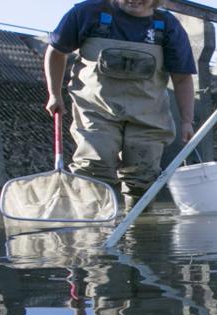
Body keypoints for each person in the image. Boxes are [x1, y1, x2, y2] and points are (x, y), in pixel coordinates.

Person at [44, 0, 199, 214]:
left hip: (148, 115)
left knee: (143, 176)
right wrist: (54, 94)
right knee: (94, 166)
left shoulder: (167, 25)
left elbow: (182, 78)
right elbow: (56, 52)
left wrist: (187, 121)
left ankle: (139, 227)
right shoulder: (88, 13)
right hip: (97, 110)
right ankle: (92, 225)